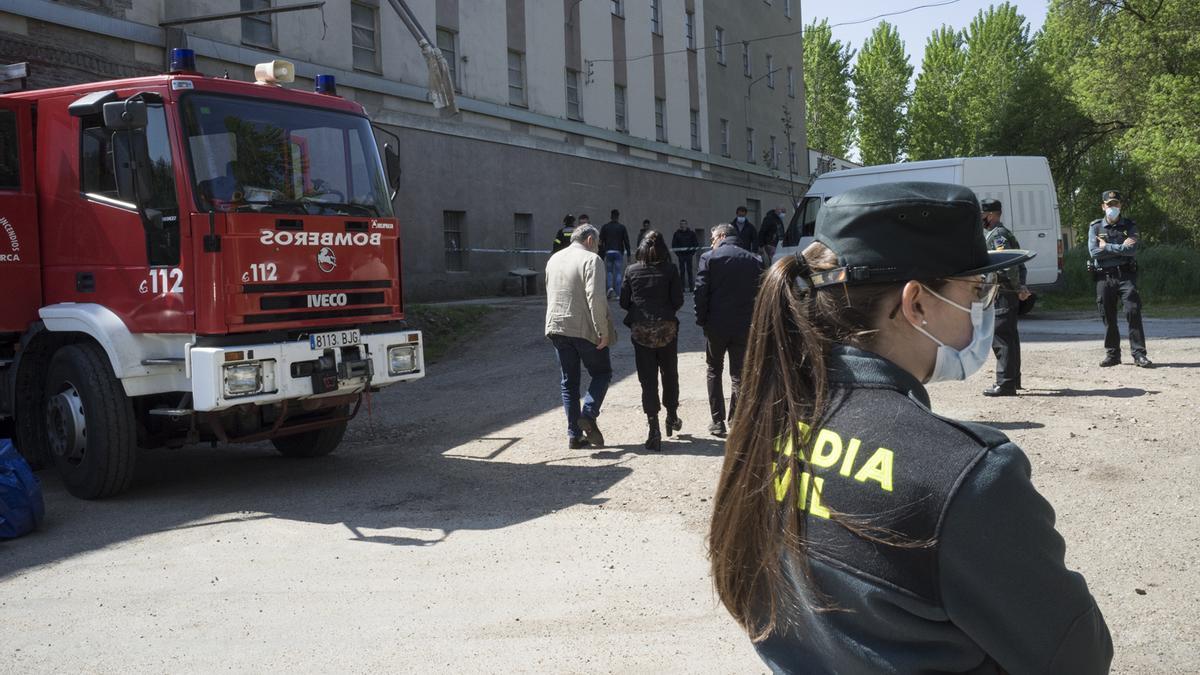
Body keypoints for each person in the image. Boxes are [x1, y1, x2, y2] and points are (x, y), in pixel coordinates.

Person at [708, 182, 1111, 674]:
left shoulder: (769, 420)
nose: (983, 306)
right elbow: (1076, 657)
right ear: (916, 303)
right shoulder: (965, 476)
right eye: (975, 289)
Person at [544, 224, 614, 449]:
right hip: (583, 327)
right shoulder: (592, 260)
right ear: (591, 240)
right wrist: (602, 331)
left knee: (569, 383)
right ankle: (589, 414)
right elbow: (596, 298)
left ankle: (574, 435)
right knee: (602, 372)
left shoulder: (553, 259)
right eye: (599, 242)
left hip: (556, 326)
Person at [695, 223, 765, 437]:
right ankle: (736, 419)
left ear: (722, 236)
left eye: (713, 238)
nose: (711, 242)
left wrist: (702, 319)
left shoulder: (709, 258)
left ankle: (717, 421)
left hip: (716, 324)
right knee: (739, 374)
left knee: (714, 369)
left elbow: (700, 292)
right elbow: (762, 293)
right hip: (745, 325)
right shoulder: (754, 260)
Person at [620, 231, 684, 451]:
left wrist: (640, 311)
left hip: (641, 332)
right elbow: (678, 299)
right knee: (669, 373)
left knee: (647, 380)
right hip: (666, 329)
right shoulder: (670, 269)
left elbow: (623, 301)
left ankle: (653, 426)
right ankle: (672, 415)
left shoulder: (632, 270)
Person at [1089, 189, 1151, 368]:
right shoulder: (1095, 227)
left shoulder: (1129, 225)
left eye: (1115, 204)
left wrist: (1106, 246)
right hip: (1104, 276)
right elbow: (1094, 252)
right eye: (1109, 205)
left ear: (1120, 205)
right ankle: (1113, 354)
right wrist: (1119, 249)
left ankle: (1139, 354)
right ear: (1103, 206)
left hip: (1126, 275)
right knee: (1108, 316)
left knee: (1133, 311)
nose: (1112, 207)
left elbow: (1131, 250)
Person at [981, 198, 1032, 396]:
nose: (982, 220)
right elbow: (1021, 263)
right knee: (1010, 337)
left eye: (983, 216)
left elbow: (1008, 265)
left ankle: (1005, 384)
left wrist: (1019, 287)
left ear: (991, 215)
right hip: (1006, 291)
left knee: (1001, 337)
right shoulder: (1000, 233)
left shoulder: (998, 235)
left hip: (1003, 291)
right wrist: (1022, 285)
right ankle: (1013, 379)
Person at [599, 209, 632, 299]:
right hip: (618, 252)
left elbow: (600, 241)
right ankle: (618, 294)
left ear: (611, 216)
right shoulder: (622, 227)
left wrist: (601, 254)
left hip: (608, 251)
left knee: (609, 271)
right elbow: (626, 241)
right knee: (618, 273)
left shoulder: (605, 227)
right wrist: (628, 254)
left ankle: (609, 288)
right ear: (618, 217)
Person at [671, 219, 701, 292]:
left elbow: (696, 244)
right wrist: (678, 254)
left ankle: (691, 287)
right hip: (681, 256)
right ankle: (682, 288)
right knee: (682, 271)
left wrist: (691, 253)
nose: (682, 225)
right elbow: (674, 245)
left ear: (686, 225)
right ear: (680, 225)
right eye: (681, 224)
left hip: (689, 255)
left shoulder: (691, 233)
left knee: (689, 271)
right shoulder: (677, 234)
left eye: (684, 224)